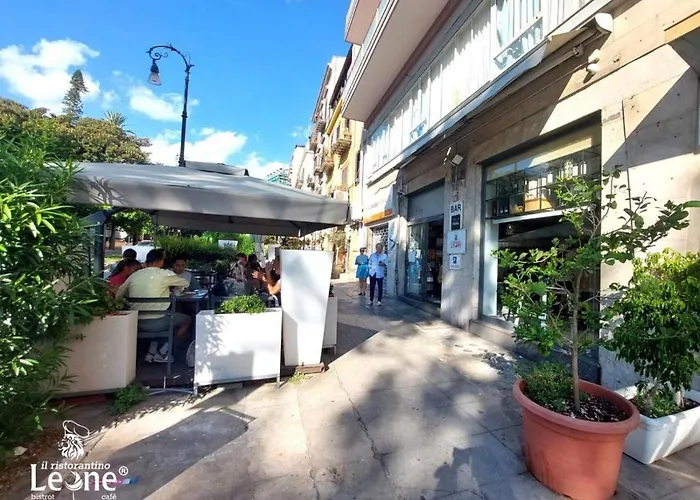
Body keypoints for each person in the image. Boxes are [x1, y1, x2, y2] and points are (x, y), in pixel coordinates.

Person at [116, 249, 191, 363]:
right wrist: (170, 286)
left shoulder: (135, 275)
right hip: (158, 321)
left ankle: (153, 351)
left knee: (167, 318)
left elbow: (119, 294)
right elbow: (185, 283)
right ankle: (164, 350)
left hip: (135, 320)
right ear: (161, 261)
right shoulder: (165, 274)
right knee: (186, 320)